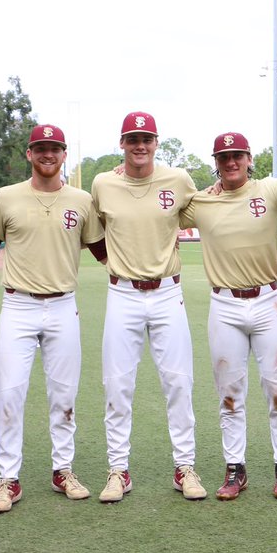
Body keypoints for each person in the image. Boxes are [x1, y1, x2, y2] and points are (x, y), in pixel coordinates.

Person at [179, 132, 277, 500]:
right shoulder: (202, 201)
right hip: (224, 305)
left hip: (268, 300)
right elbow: (160, 207)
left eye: (237, 155)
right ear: (216, 162)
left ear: (249, 157)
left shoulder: (271, 189)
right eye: (224, 157)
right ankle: (235, 467)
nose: (231, 162)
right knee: (229, 393)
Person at [0, 124, 106, 514]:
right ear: (29, 154)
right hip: (18, 306)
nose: (47, 154)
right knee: (9, 393)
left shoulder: (82, 200)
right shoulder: (5, 197)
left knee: (64, 394)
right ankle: (8, 478)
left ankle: (63, 470)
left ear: (64, 153)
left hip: (63, 304)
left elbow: (104, 252)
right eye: (40, 148)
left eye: (54, 148)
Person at [90, 111, 206, 503]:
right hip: (122, 293)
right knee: (117, 384)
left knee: (178, 382)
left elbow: (207, 208)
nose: (140, 145)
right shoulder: (103, 183)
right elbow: (93, 232)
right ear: (121, 144)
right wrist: (115, 264)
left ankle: (185, 467)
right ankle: (118, 470)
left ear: (156, 143)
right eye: (132, 138)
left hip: (167, 292)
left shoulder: (178, 180)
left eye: (147, 138)